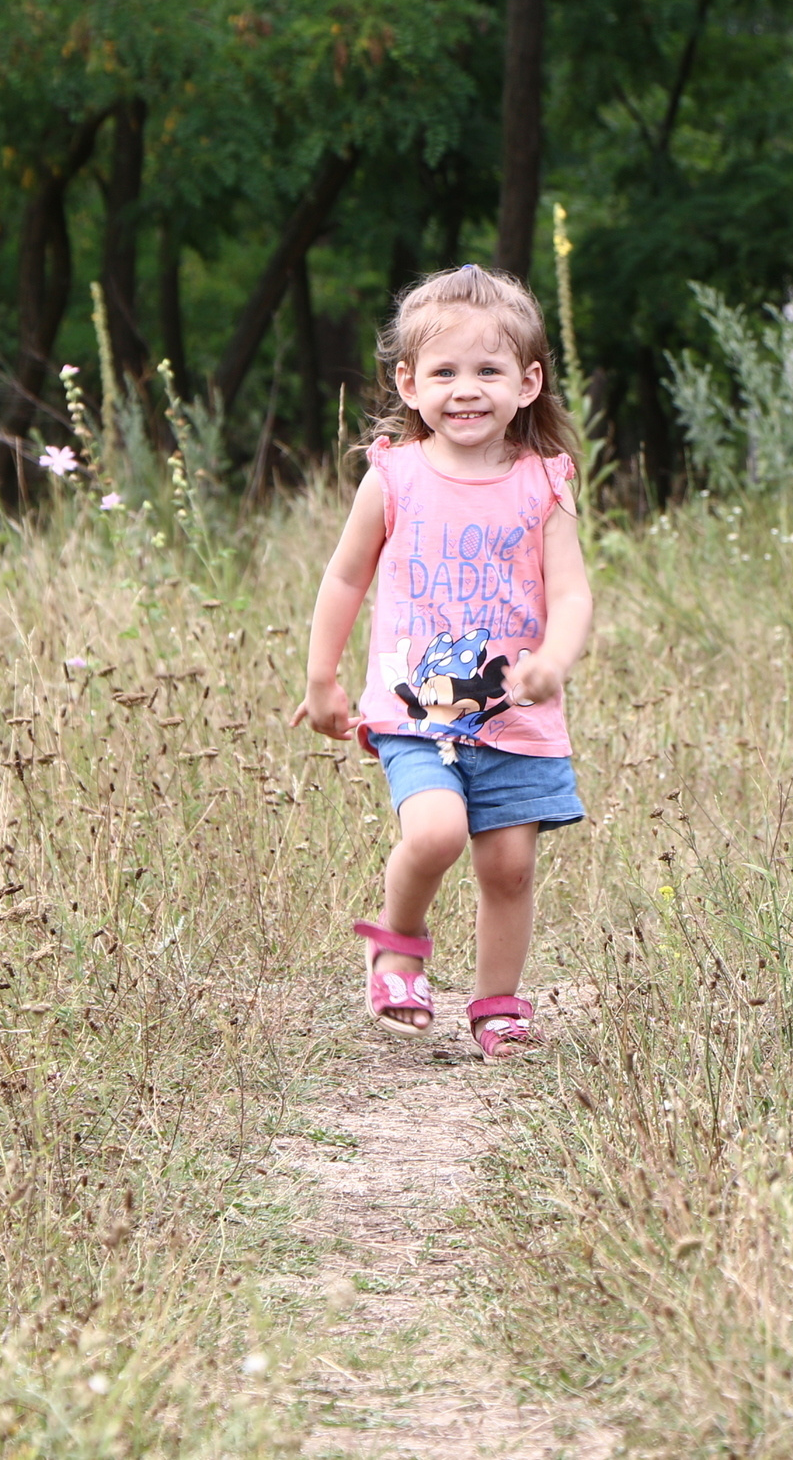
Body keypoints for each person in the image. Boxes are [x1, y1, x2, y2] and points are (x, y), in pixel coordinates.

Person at [289, 264, 592, 1058]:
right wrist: (321, 678)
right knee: (434, 835)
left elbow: (573, 595)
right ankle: (398, 940)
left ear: (527, 383)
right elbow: (345, 576)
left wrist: (553, 660)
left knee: (511, 865)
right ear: (408, 381)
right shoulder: (395, 477)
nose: (467, 389)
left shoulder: (542, 485)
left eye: (488, 370)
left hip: (516, 715)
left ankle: (497, 1004)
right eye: (445, 371)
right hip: (413, 710)